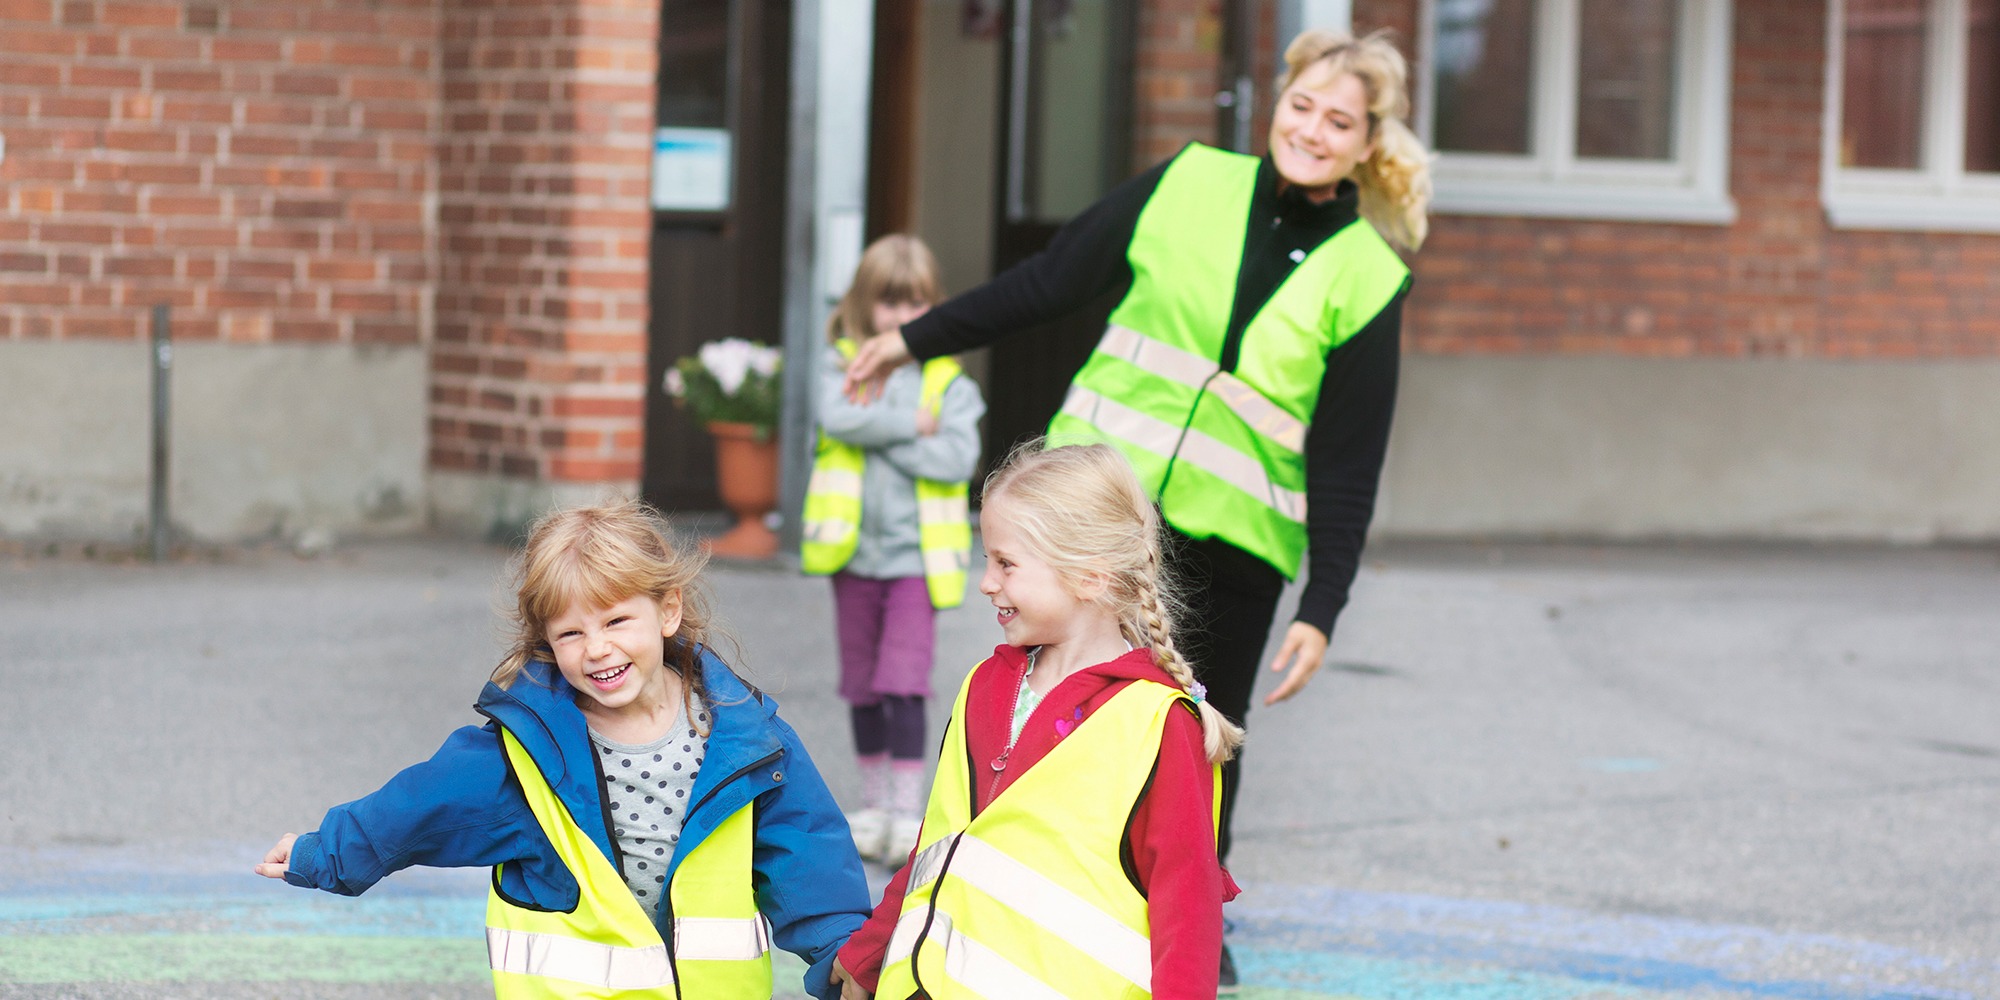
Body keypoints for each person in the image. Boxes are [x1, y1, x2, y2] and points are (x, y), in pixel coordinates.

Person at [842, 29, 1431, 989]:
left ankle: (1189, 921)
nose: (1313, 131)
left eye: (1341, 121)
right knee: (1047, 703)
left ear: (1369, 143)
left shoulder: (1370, 275)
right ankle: (1000, 874)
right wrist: (915, 341)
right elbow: (1050, 281)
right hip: (1098, 519)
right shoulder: (1189, 180)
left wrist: (1325, 606)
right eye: (1303, 107)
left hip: (1237, 542)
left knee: (1202, 737)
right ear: (1274, 104)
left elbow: (1350, 452)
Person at [255, 498, 872, 1000]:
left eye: (615, 622)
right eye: (571, 632)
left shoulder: (746, 739)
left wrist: (845, 954)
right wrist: (324, 851)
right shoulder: (525, 753)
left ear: (668, 611)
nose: (596, 649)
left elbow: (807, 852)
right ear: (548, 643)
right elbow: (419, 806)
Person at [828, 442, 1242, 1000]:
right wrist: (869, 953)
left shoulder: (1158, 722)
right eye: (986, 561)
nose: (987, 582)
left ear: (1088, 577)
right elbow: (938, 846)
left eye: (1006, 563)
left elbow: (1186, 910)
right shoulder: (984, 686)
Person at [801, 235, 985, 868]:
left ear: (932, 308)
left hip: (916, 562)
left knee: (902, 684)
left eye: (914, 306)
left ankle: (909, 811)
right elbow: (836, 419)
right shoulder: (842, 364)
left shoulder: (946, 381)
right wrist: (911, 427)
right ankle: (874, 806)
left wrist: (879, 432)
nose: (900, 319)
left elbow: (957, 457)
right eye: (887, 305)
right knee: (862, 686)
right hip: (851, 557)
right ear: (863, 306)